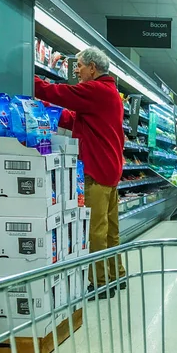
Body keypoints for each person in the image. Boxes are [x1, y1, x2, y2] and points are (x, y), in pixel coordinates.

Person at [34, 46, 125, 299]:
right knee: (110, 230)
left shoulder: (96, 90)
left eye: (80, 66)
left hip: (97, 169)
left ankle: (100, 283)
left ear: (92, 68)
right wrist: (47, 111)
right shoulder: (110, 93)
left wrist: (31, 81)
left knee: (95, 230)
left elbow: (60, 93)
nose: (76, 70)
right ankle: (116, 275)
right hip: (110, 169)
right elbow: (76, 120)